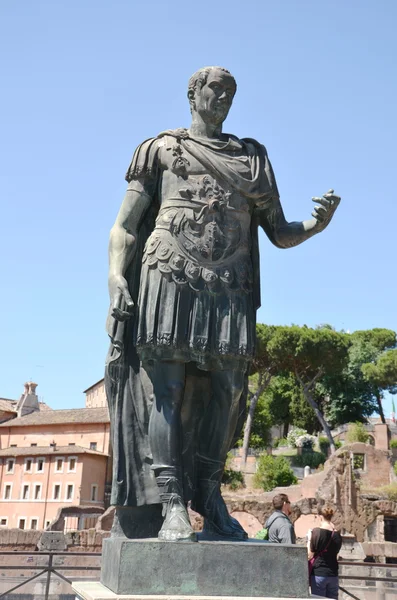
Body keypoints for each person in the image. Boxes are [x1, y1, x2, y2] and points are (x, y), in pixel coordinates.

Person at [105, 65, 341, 542]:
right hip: (169, 274)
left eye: (232, 92)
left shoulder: (251, 159)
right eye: (216, 90)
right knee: (166, 392)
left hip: (230, 286)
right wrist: (115, 276)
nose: (225, 98)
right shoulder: (159, 150)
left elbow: (278, 232)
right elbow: (125, 226)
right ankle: (172, 502)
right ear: (193, 94)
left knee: (230, 390)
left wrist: (315, 226)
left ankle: (209, 496)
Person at [308, 506, 342, 599]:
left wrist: (309, 539)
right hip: (333, 574)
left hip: (319, 573)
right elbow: (336, 554)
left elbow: (309, 555)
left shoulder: (316, 532)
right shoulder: (337, 535)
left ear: (320, 517)